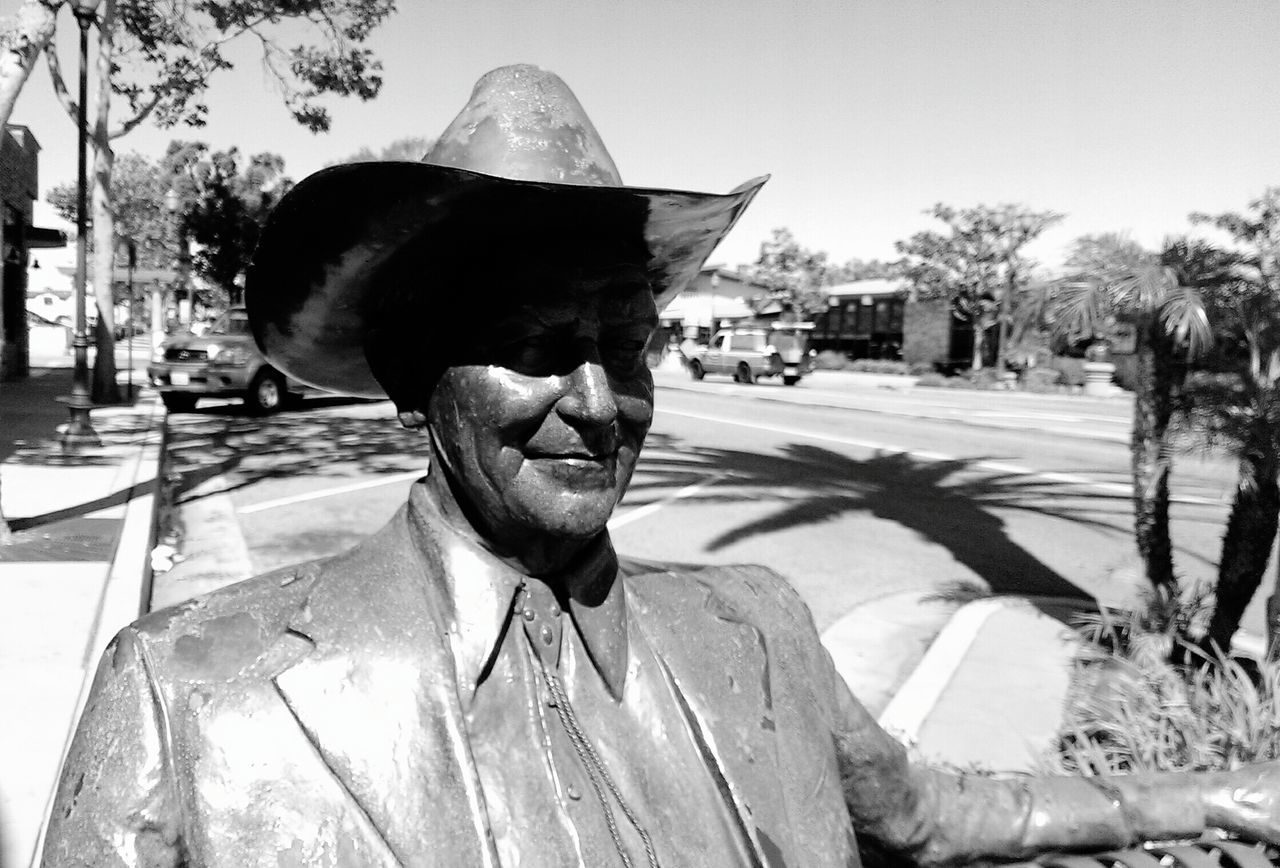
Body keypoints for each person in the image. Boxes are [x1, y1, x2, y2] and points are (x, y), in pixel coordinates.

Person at [43, 65, 1280, 868]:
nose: (597, 401)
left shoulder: (755, 630)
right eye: (536, 347)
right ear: (422, 374)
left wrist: (1188, 800)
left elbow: (928, 811)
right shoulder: (188, 688)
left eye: (623, 346)